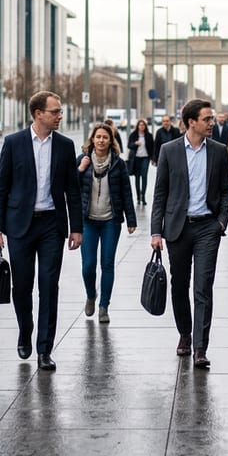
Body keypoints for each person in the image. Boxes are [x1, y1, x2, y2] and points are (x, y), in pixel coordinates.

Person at [0, 91, 83, 372]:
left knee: (49, 287)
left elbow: (73, 191)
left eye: (60, 111)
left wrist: (76, 228)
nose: (60, 116)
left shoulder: (66, 146)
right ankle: (25, 329)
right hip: (20, 225)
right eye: (55, 111)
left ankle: (45, 349)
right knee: (22, 286)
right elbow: (1, 188)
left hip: (52, 226)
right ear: (38, 114)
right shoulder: (14, 143)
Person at [150, 99, 228, 369]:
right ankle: (184, 333)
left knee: (203, 287)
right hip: (177, 227)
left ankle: (200, 347)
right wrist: (155, 232)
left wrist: (221, 221)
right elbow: (160, 193)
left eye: (212, 119)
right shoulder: (169, 150)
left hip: (208, 227)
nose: (212, 123)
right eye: (207, 119)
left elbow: (227, 191)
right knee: (179, 285)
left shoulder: (219, 151)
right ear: (191, 122)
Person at [77, 123, 136, 323]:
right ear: (92, 139)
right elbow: (70, 188)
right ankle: (91, 295)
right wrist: (80, 169)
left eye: (105, 137)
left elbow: (126, 192)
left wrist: (131, 219)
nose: (101, 140)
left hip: (111, 221)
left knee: (107, 264)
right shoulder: (82, 160)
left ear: (111, 141)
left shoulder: (118, 164)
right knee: (88, 265)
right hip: (88, 221)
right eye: (98, 136)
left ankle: (104, 306)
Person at [126, 119, 154, 205]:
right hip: (136, 159)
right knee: (137, 178)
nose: (141, 126)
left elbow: (152, 147)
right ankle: (138, 197)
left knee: (144, 176)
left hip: (145, 158)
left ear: (145, 126)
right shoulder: (133, 135)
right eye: (140, 125)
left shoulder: (149, 135)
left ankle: (144, 197)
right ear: (137, 126)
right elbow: (129, 145)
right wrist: (135, 144)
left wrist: (153, 158)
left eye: (143, 125)